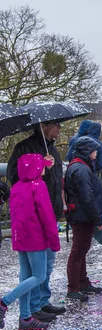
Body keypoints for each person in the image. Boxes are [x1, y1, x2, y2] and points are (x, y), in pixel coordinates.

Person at [7, 121, 65, 318]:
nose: (59, 129)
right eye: (56, 125)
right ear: (44, 126)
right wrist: (39, 166)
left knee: (45, 265)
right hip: (38, 217)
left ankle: (40, 301)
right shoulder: (24, 147)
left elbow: (57, 180)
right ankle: (33, 306)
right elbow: (15, 175)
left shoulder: (53, 149)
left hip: (50, 210)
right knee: (38, 268)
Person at [0, 154, 60, 330]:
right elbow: (47, 216)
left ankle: (25, 317)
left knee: (25, 276)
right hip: (36, 238)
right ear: (36, 168)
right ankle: (4, 302)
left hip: (21, 237)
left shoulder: (18, 186)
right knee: (39, 276)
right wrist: (54, 240)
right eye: (41, 165)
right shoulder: (38, 186)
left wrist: (47, 163)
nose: (43, 168)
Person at [64, 137, 102, 301]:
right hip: (82, 216)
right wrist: (98, 219)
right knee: (78, 251)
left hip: (81, 214)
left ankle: (82, 281)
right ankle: (73, 287)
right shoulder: (81, 169)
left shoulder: (80, 166)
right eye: (94, 151)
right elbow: (87, 197)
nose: (96, 154)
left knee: (82, 249)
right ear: (87, 151)